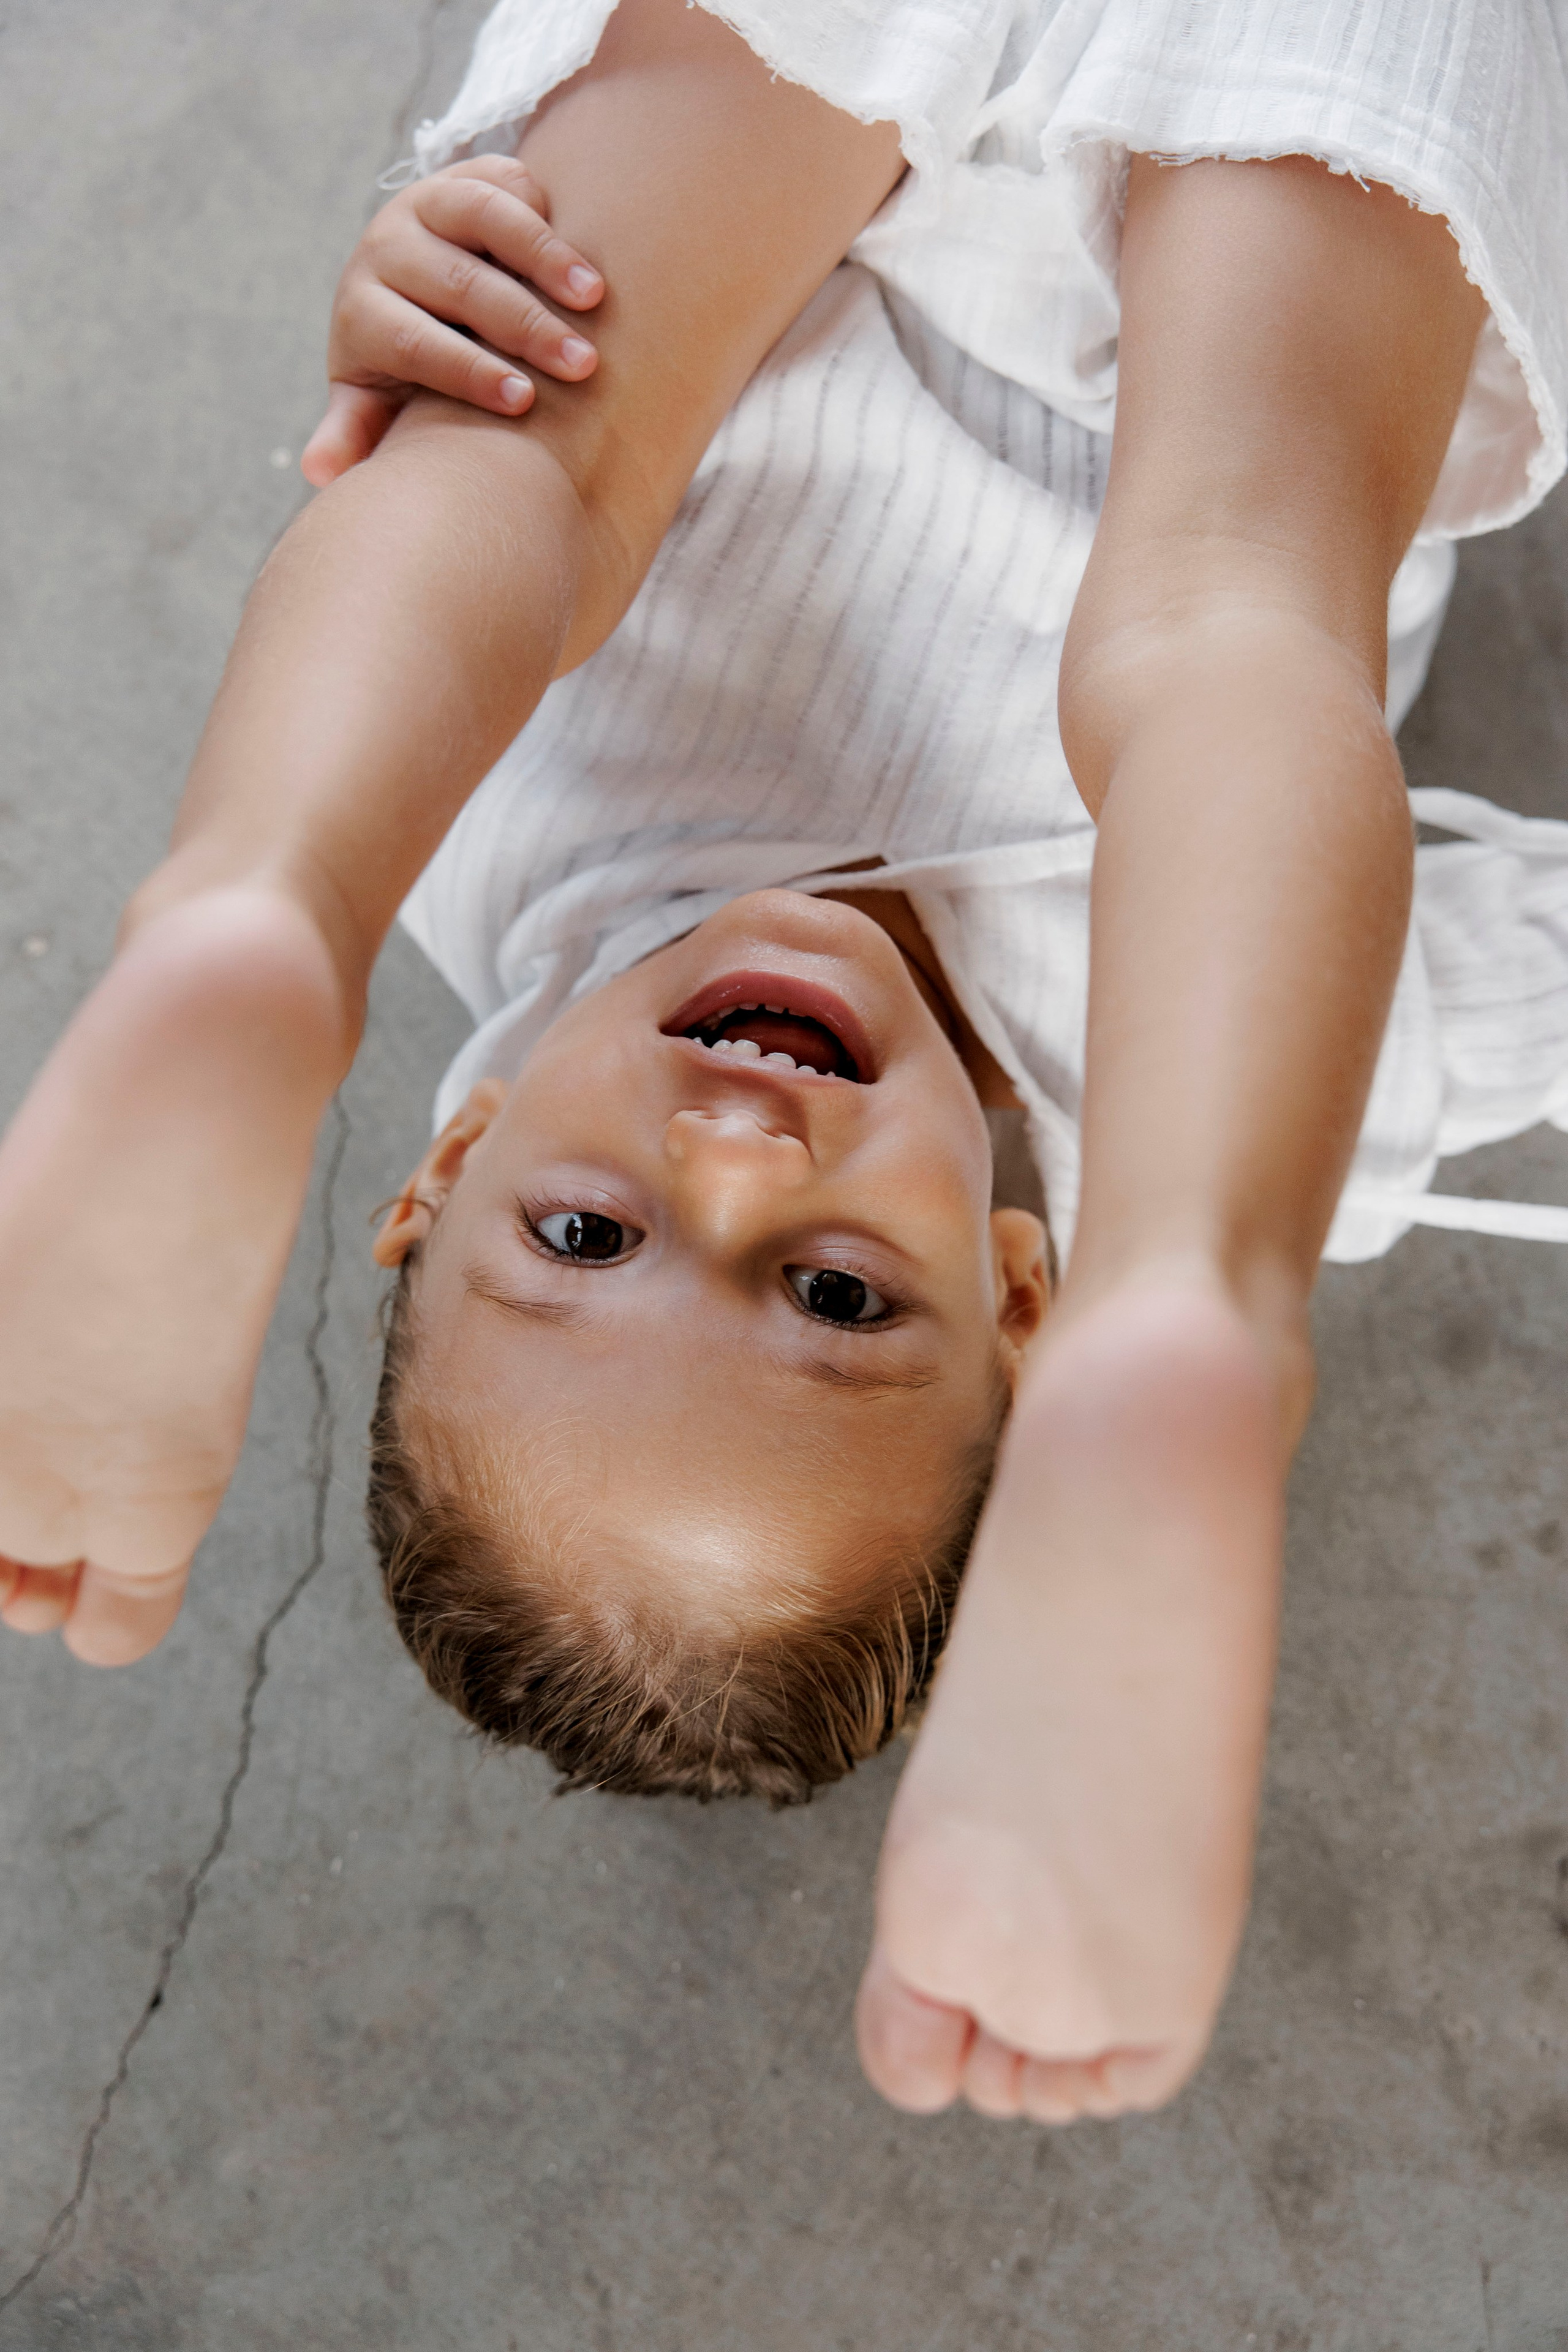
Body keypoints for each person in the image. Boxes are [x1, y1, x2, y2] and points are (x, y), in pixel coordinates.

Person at [3, 0, 1567, 2127]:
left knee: (530, 443)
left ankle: (261, 909)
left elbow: (471, 471)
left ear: (447, 1163)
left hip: (835, 117)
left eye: (585, 1235)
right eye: (837, 1296)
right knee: (1228, 605)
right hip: (1270, 139)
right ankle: (1190, 1282)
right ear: (1024, 1300)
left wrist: (427, 259)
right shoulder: (1222, 1045)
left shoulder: (467, 812)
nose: (736, 1153)